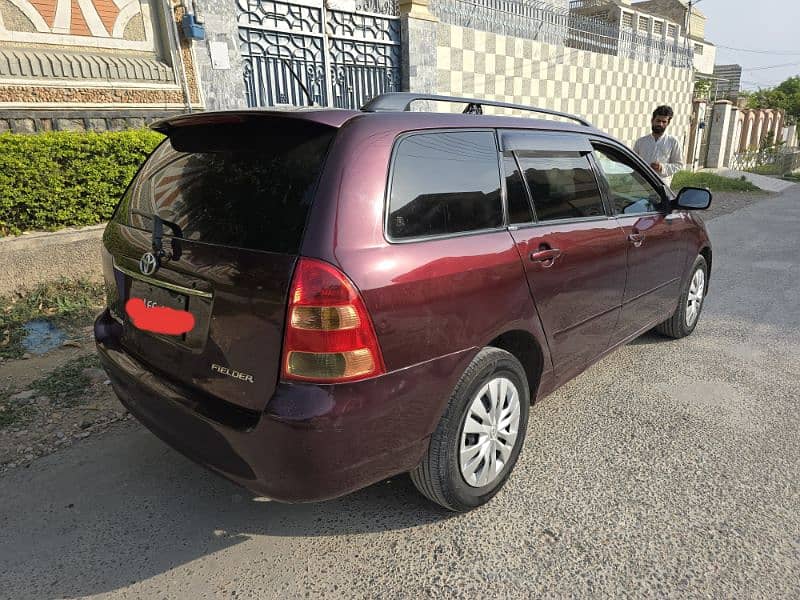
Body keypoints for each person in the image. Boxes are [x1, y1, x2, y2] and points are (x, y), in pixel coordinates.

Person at [633, 105, 684, 188]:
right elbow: (633, 162)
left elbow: (679, 164)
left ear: (668, 123)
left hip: (661, 188)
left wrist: (662, 167)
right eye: (658, 120)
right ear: (652, 120)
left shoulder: (673, 142)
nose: (660, 124)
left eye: (664, 122)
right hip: (640, 187)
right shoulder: (641, 142)